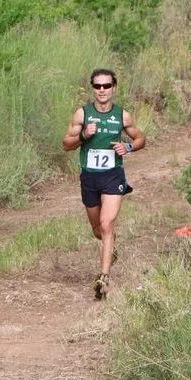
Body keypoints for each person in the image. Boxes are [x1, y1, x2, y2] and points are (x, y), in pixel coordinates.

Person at [62, 68, 145, 300]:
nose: (102, 90)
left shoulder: (122, 116)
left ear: (113, 88)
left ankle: (103, 278)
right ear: (93, 88)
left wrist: (127, 147)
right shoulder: (82, 114)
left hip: (113, 176)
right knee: (98, 229)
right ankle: (110, 250)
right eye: (98, 86)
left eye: (106, 86)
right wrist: (83, 137)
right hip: (90, 177)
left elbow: (141, 139)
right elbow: (65, 144)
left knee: (107, 224)